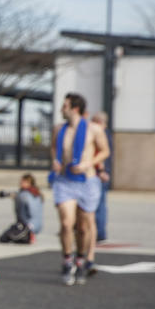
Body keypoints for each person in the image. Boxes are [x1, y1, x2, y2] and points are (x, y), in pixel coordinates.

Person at [50, 94, 110, 285]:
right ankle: (68, 260)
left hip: (87, 181)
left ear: (75, 108)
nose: (61, 109)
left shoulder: (94, 129)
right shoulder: (59, 129)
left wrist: (88, 163)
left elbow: (105, 151)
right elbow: (53, 148)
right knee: (67, 224)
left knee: (83, 227)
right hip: (64, 181)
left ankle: (81, 259)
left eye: (65, 106)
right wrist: (55, 160)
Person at [0, 174, 44, 243]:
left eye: (23, 182)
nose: (20, 183)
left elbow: (33, 212)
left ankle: (30, 236)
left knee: (9, 237)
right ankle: (26, 236)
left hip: (29, 225)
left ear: (29, 183)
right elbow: (15, 194)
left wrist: (30, 226)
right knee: (4, 238)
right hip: (25, 224)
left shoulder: (26, 195)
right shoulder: (32, 193)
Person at [90, 111, 111, 242]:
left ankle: (99, 233)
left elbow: (104, 155)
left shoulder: (101, 135)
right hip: (102, 173)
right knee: (100, 204)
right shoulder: (106, 134)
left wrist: (102, 171)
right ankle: (99, 232)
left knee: (98, 205)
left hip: (99, 174)